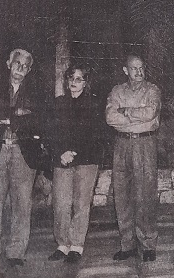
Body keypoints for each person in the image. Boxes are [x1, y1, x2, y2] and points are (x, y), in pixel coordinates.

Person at [0, 48, 43, 270]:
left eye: (25, 66)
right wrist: (19, 116)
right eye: (17, 64)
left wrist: (10, 119)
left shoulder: (36, 93)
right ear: (8, 64)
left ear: (29, 70)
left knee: (22, 204)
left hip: (23, 154)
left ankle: (16, 252)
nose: (20, 69)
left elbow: (39, 122)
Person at [106, 54, 161, 262]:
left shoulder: (152, 90)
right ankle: (127, 244)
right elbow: (110, 117)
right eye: (134, 68)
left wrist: (126, 111)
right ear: (125, 70)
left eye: (141, 68)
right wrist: (135, 119)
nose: (138, 72)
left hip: (144, 144)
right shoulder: (117, 91)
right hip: (121, 145)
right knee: (122, 194)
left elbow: (151, 113)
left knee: (145, 193)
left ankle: (148, 244)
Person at [46, 64, 104, 263]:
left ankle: (76, 246)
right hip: (62, 160)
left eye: (79, 79)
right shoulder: (58, 103)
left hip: (86, 160)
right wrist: (60, 153)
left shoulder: (94, 104)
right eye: (71, 78)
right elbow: (51, 132)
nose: (74, 82)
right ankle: (62, 245)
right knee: (61, 203)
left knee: (81, 204)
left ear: (86, 82)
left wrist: (74, 153)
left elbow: (94, 135)